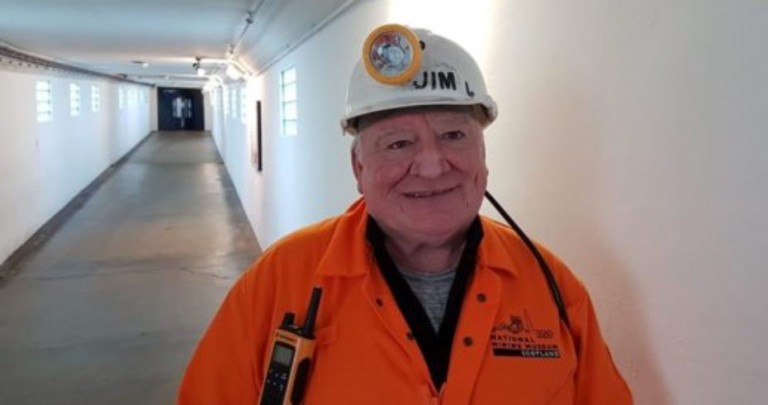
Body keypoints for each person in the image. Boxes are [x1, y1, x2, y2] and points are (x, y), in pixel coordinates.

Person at [179, 24, 633, 404]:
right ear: (359, 168)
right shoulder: (278, 283)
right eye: (398, 143)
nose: (433, 165)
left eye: (454, 135)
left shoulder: (552, 287)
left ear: (483, 155)